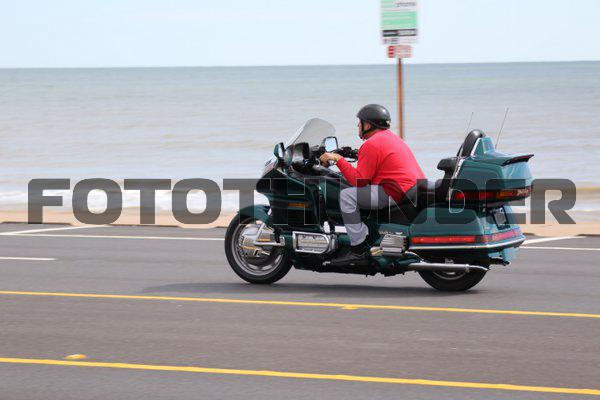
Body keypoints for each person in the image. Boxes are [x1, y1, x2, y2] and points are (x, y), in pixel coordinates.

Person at [319, 104, 426, 265]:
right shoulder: (390, 138)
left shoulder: (372, 144)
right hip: (410, 188)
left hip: (394, 191)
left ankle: (358, 248)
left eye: (360, 122)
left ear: (368, 125)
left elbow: (359, 181)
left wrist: (338, 159)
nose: (358, 125)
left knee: (347, 196)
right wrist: (351, 154)